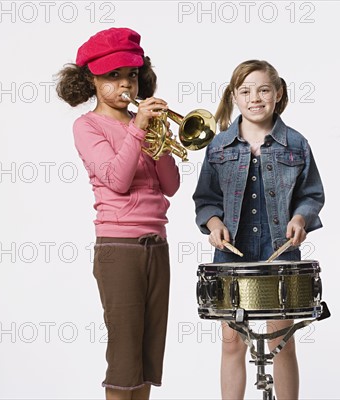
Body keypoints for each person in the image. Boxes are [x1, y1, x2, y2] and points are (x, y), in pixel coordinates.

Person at [56, 27, 180, 400]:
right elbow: (117, 180)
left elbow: (170, 185)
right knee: (124, 359)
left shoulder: (143, 125)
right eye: (113, 76)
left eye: (130, 74)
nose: (125, 82)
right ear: (90, 80)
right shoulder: (88, 126)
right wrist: (139, 129)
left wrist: (158, 137)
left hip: (156, 245)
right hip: (119, 248)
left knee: (146, 359)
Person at [193, 60, 325, 400]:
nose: (256, 98)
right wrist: (214, 223)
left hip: (279, 251)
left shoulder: (296, 143)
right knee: (232, 342)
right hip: (230, 255)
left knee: (282, 342)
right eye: (246, 91)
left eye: (264, 89)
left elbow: (312, 195)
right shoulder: (218, 145)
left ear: (278, 94)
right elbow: (205, 199)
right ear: (234, 97)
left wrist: (301, 219)